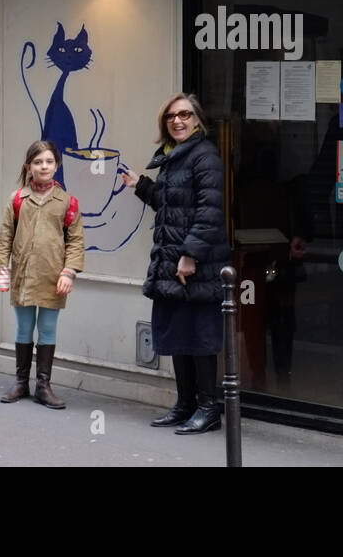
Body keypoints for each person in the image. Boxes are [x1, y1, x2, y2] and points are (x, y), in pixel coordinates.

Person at [120, 93, 229, 435]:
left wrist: (190, 256)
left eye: (184, 115)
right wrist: (142, 186)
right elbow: (171, 208)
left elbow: (209, 212)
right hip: (172, 261)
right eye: (171, 117)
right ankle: (184, 405)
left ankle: (208, 409)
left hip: (195, 264)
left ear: (197, 120)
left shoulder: (205, 156)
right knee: (178, 335)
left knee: (199, 337)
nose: (177, 121)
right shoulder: (173, 157)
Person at [0, 140, 85, 409]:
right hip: (23, 274)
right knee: (23, 327)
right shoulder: (17, 199)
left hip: (54, 277)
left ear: (57, 165)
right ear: (28, 167)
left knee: (47, 328)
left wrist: (69, 272)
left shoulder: (68, 202)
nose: (44, 166)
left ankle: (43, 385)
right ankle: (21, 382)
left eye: (49, 162)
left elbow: (76, 241)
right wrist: (1, 268)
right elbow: (5, 235)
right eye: (38, 162)